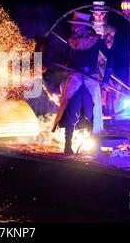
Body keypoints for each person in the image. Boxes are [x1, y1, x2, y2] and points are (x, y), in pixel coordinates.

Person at [51, 12, 113, 154]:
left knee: (93, 112)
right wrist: (66, 63)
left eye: (75, 24)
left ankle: (95, 145)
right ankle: (68, 146)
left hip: (91, 79)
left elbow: (111, 59)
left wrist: (105, 80)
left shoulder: (97, 41)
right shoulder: (71, 41)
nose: (72, 26)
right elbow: (65, 58)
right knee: (71, 110)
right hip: (75, 78)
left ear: (83, 27)